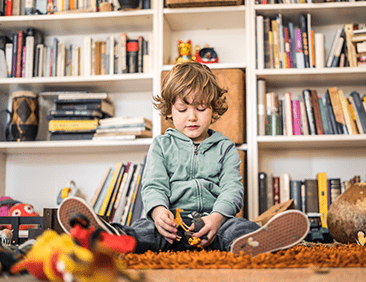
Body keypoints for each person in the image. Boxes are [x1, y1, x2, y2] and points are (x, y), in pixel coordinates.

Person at [58, 62, 310, 256]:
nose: (192, 117)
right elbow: (154, 185)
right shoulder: (161, 144)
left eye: (201, 109)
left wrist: (217, 217)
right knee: (145, 231)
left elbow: (232, 189)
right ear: (169, 110)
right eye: (183, 109)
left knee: (238, 228)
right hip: (171, 223)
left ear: (213, 110)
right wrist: (158, 212)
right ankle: (108, 237)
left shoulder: (225, 147)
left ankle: (260, 241)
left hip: (212, 223)